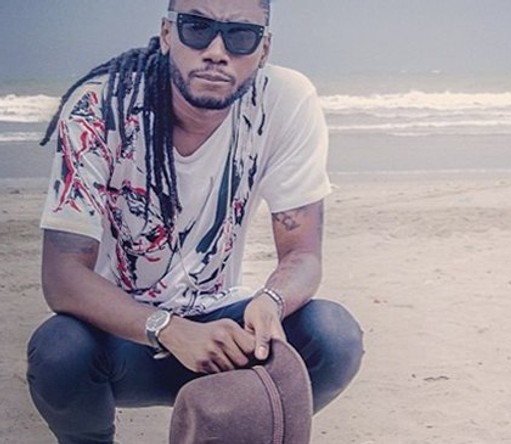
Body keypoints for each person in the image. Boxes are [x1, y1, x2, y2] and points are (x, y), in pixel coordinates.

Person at [26, 0, 364, 442]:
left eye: (240, 35)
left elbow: (303, 253)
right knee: (57, 351)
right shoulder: (101, 107)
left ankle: (233, 426)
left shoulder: (284, 100)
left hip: (226, 331)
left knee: (334, 336)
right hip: (123, 338)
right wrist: (167, 329)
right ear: (168, 34)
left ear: (263, 50)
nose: (217, 51)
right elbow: (62, 278)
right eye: (197, 27)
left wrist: (271, 301)